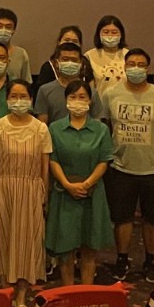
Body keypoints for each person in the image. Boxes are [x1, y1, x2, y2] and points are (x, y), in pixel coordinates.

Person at [99, 49, 154, 282]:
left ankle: (150, 262)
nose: (136, 68)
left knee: (153, 219)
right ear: (124, 66)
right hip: (121, 167)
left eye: (141, 64)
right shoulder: (110, 94)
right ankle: (122, 260)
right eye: (131, 64)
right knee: (122, 218)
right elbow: (106, 125)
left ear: (148, 68)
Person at [0, 79, 52, 307]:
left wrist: (44, 195)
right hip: (3, 188)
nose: (19, 101)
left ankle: (22, 298)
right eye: (14, 96)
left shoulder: (41, 129)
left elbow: (45, 167)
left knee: (28, 243)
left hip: (30, 189)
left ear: (31, 99)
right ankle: (5, 295)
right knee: (3, 241)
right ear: (7, 99)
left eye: (23, 96)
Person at [46, 80, 115, 286]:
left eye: (82, 97)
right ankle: (68, 292)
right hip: (64, 192)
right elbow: (52, 160)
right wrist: (68, 185)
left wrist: (86, 184)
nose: (77, 101)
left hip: (92, 193)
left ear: (90, 101)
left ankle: (86, 292)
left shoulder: (101, 129)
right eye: (73, 97)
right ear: (66, 100)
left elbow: (104, 160)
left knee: (89, 248)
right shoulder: (55, 128)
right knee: (65, 249)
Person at [37, 42, 92, 124]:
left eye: (74, 60)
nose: (70, 63)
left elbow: (98, 125)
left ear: (81, 64)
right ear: (56, 63)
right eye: (65, 59)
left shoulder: (91, 92)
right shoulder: (44, 90)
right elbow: (42, 125)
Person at [85, 15, 129, 95]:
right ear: (99, 34)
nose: (110, 36)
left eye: (114, 32)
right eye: (106, 32)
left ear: (121, 34)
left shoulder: (128, 55)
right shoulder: (89, 56)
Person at [34, 24, 86, 90]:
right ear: (59, 42)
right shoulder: (48, 67)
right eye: (67, 40)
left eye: (74, 41)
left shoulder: (86, 66)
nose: (70, 43)